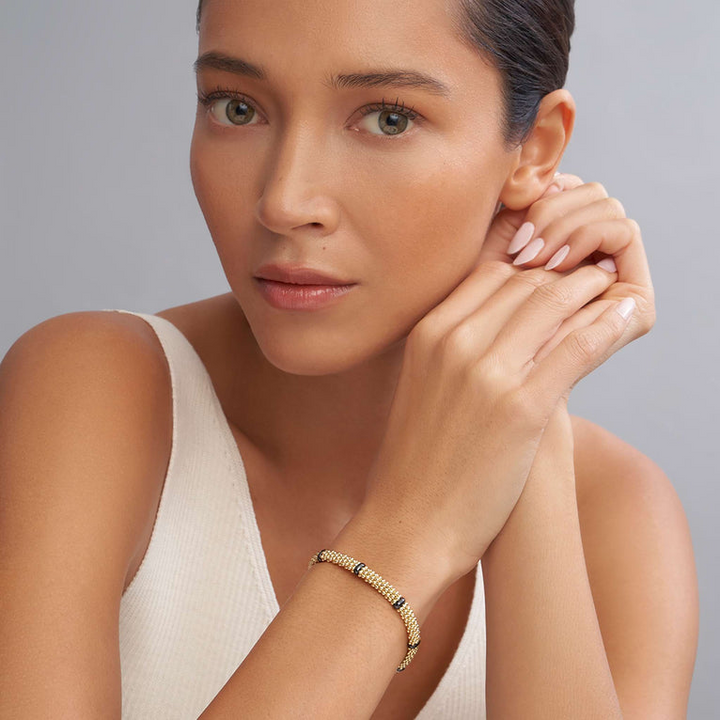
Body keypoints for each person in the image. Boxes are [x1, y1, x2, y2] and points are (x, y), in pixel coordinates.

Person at [0, 0, 698, 718]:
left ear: (537, 150)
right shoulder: (93, 392)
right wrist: (416, 524)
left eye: (387, 118)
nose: (285, 199)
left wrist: (531, 417)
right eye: (237, 107)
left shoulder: (617, 515)